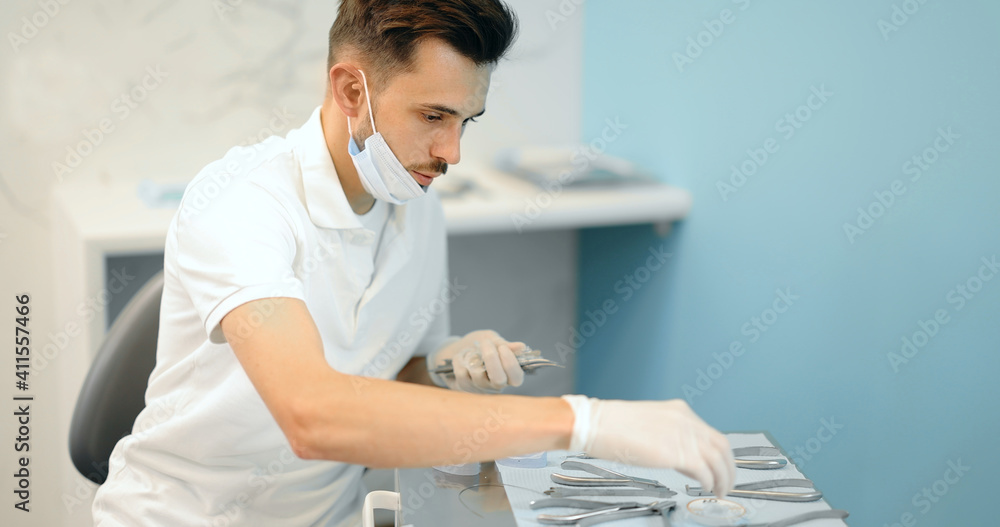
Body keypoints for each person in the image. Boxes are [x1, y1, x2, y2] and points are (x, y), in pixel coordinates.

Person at [92, 1, 735, 525]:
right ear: (350, 89)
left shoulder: (413, 199)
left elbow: (395, 372)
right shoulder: (242, 205)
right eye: (433, 116)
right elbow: (313, 415)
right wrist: (587, 422)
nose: (451, 151)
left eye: (466, 121)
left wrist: (452, 363)